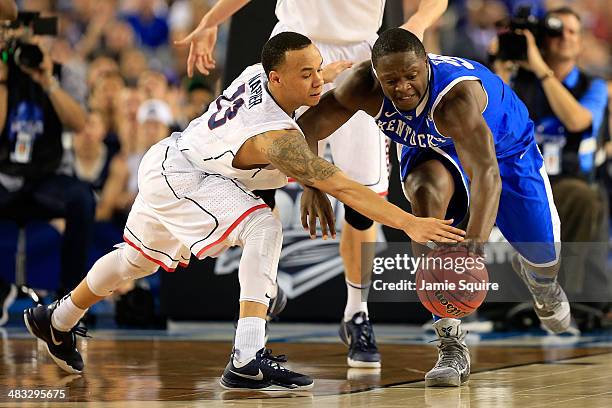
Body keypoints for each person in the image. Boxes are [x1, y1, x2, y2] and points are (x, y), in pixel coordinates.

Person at [23, 32, 464, 390]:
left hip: (173, 161)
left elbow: (308, 75)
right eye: (307, 74)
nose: (318, 82)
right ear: (275, 80)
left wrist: (332, 71)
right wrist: (410, 222)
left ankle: (56, 319)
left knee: (134, 260)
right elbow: (343, 187)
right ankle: (247, 356)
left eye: (317, 70)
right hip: (187, 178)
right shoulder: (273, 136)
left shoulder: (261, 72)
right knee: (264, 228)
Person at [174, 0, 448, 369]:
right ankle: (261, 301)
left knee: (360, 203)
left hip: (361, 57)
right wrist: (211, 20)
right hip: (293, 51)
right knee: (261, 184)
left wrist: (416, 24)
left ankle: (356, 312)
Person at [297, 27, 570, 387]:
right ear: (377, 75)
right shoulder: (361, 85)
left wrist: (473, 250)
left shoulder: (455, 99)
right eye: (391, 80)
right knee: (424, 199)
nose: (403, 87)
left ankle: (542, 283)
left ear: (426, 65)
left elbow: (487, 176)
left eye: (412, 76)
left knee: (543, 255)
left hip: (503, 151)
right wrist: (313, 183)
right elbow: (307, 127)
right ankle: (450, 341)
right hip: (432, 151)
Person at [492, 7, 609, 315]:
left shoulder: (593, 86)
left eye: (573, 31)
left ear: (582, 42)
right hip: (521, 179)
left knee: (582, 197)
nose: (565, 38)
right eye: (557, 31)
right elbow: (491, 118)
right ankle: (477, 303)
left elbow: (577, 120)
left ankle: (561, 297)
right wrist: (501, 69)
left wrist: (540, 67)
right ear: (542, 39)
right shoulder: (520, 82)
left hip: (568, 180)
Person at [0, 32, 90, 322]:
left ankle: (69, 298)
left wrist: (47, 80)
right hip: (5, 176)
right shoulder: (3, 75)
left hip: (48, 177)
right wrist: (2, 80)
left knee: (82, 200)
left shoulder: (63, 74)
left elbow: (79, 123)